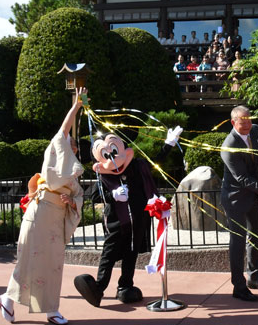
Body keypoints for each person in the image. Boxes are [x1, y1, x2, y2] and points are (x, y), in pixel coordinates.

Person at [0, 88, 86, 325]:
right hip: (40, 212)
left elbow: (78, 197)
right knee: (28, 260)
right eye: (69, 144)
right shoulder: (54, 155)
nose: (72, 148)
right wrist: (76, 107)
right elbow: (64, 129)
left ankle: (50, 310)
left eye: (75, 147)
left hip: (56, 217)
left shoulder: (71, 174)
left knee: (53, 265)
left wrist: (71, 202)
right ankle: (8, 298)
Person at [74, 124, 181, 308]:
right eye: (106, 155)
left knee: (131, 254)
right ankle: (98, 288)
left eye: (115, 151)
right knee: (109, 254)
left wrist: (169, 144)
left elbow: (156, 162)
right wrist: (112, 195)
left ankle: (125, 286)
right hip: (116, 222)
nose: (113, 159)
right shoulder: (104, 178)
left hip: (138, 219)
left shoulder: (137, 167)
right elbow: (95, 196)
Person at [220, 106, 258, 301]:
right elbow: (242, 179)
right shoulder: (229, 146)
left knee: (256, 235)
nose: (247, 125)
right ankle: (238, 286)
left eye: (249, 120)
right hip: (235, 197)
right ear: (233, 123)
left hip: (252, 196)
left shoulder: (255, 130)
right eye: (242, 122)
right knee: (237, 241)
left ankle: (254, 277)